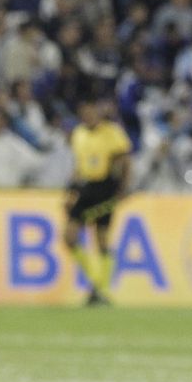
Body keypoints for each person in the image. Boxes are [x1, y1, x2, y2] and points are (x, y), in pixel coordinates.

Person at [63, 95, 132, 307]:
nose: (88, 115)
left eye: (91, 110)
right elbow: (78, 166)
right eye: (84, 111)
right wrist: (70, 192)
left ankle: (101, 290)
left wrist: (123, 188)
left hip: (105, 187)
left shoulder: (112, 132)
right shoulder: (78, 134)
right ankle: (96, 283)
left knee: (101, 238)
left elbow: (125, 161)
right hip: (85, 188)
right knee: (69, 236)